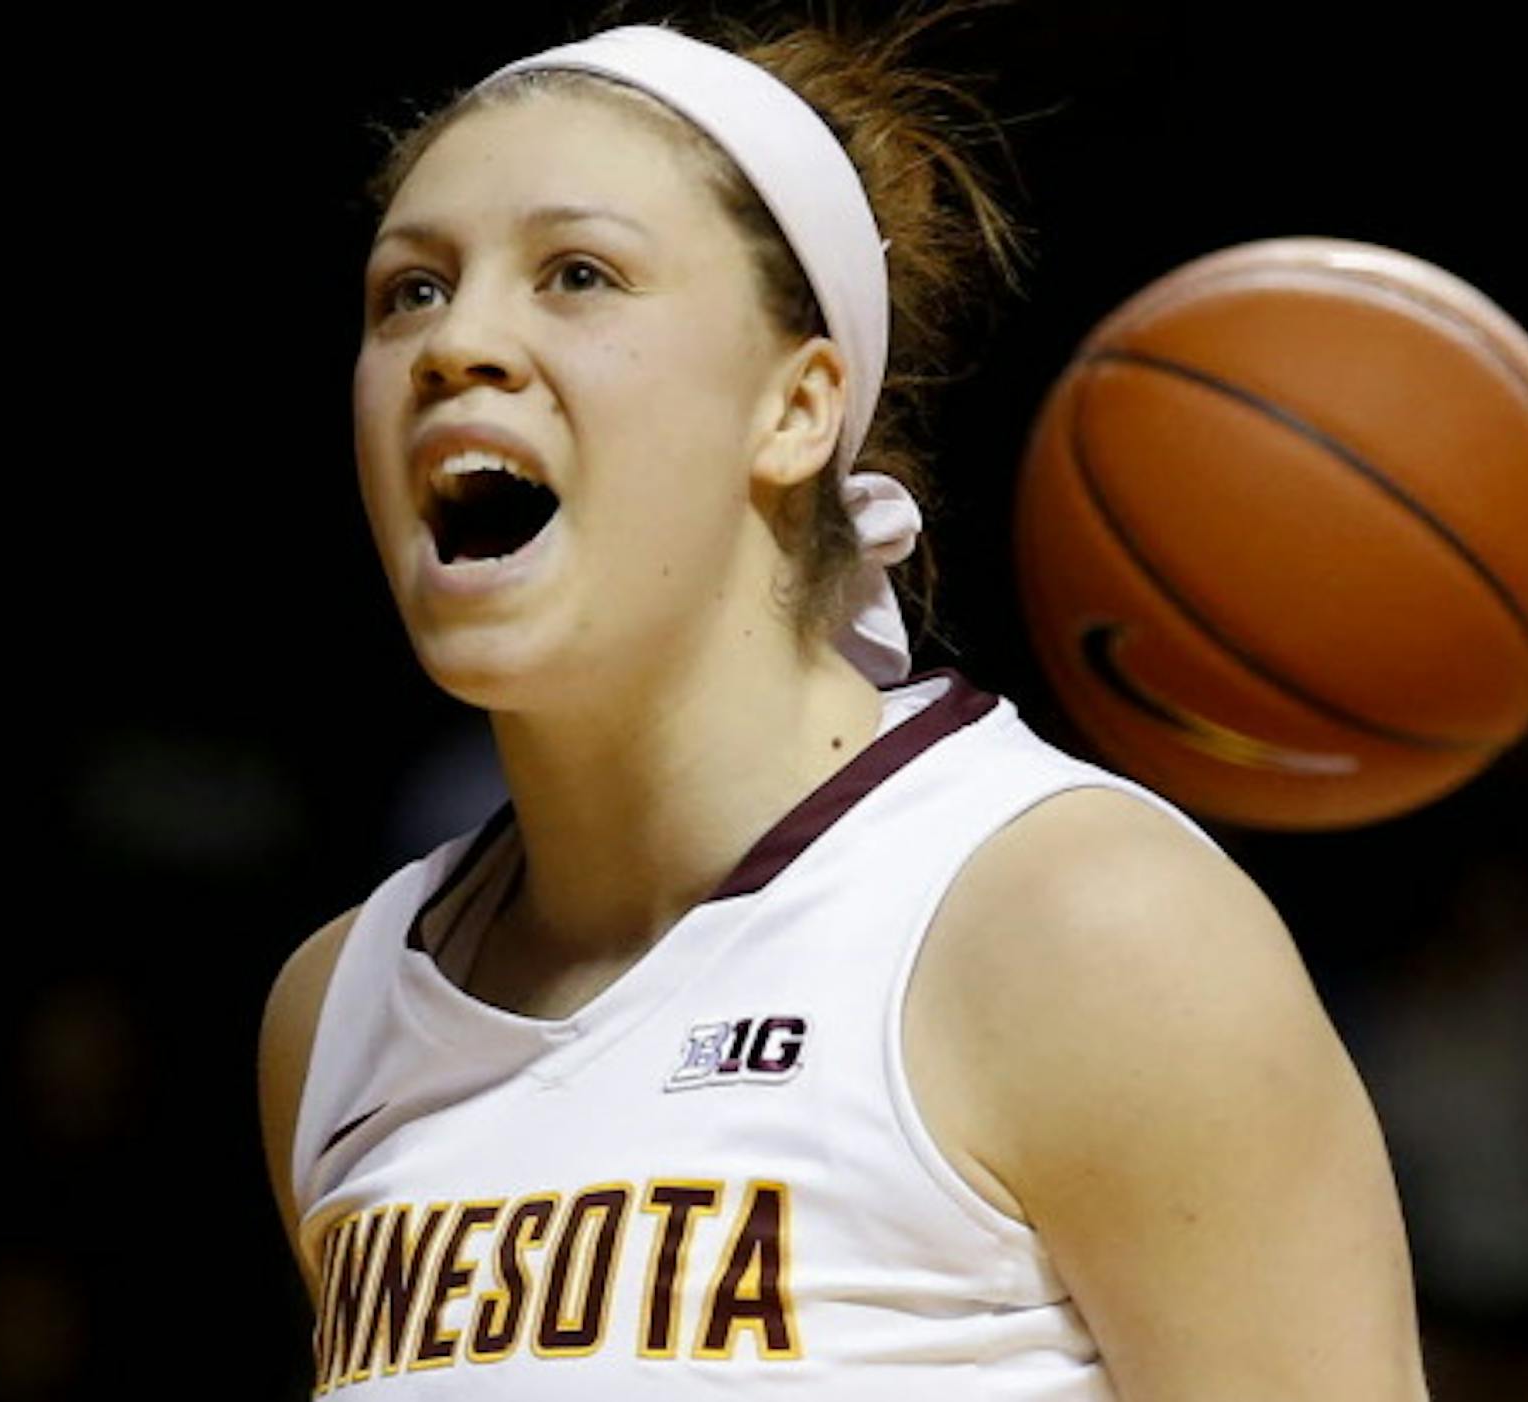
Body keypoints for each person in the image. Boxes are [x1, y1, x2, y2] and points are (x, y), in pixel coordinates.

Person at [257, 9, 1428, 1398]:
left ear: (799, 408)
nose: (458, 342)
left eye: (577, 273)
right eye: (411, 290)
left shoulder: (1081, 927)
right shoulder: (337, 1010)